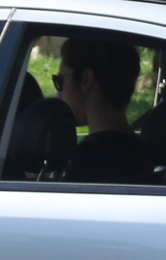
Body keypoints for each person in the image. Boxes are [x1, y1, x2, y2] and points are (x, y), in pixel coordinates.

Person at [51, 34, 147, 184]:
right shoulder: (142, 153)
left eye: (60, 81)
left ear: (86, 79)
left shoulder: (83, 164)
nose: (58, 93)